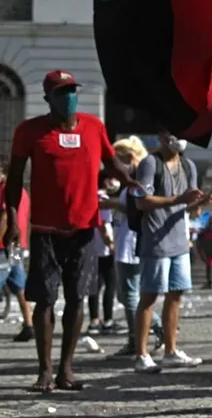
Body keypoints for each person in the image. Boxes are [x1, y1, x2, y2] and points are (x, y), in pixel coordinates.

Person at [3, 70, 140, 392]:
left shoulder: (94, 127)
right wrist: (11, 219)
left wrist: (129, 181)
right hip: (45, 230)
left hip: (84, 229)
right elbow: (15, 180)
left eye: (72, 92)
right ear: (48, 98)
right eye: (62, 93)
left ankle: (67, 369)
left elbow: (112, 162)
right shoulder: (30, 131)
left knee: (78, 298)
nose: (69, 98)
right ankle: (45, 372)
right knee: (45, 301)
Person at [132, 130, 210, 373]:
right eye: (175, 134)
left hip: (179, 242)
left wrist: (200, 204)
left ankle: (171, 350)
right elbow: (141, 201)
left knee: (176, 296)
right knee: (149, 297)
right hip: (155, 242)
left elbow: (190, 207)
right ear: (164, 136)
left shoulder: (189, 166)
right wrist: (179, 199)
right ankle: (141, 354)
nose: (180, 139)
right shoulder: (149, 164)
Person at [107, 137, 164, 359]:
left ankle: (137, 337)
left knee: (129, 294)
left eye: (119, 159)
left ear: (129, 157)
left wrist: (111, 204)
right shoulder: (132, 178)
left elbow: (137, 208)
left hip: (131, 242)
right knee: (125, 294)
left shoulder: (140, 176)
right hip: (125, 240)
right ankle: (154, 326)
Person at [0, 162, 32, 342]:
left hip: (4, 245)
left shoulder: (6, 190)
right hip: (18, 245)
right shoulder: (22, 191)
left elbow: (5, 217)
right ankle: (28, 324)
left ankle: (29, 325)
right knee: (19, 286)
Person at [88, 171, 122, 336]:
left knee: (95, 285)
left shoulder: (91, 194)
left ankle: (94, 320)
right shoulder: (102, 198)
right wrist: (110, 242)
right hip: (103, 244)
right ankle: (107, 320)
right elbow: (102, 222)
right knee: (111, 283)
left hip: (92, 245)